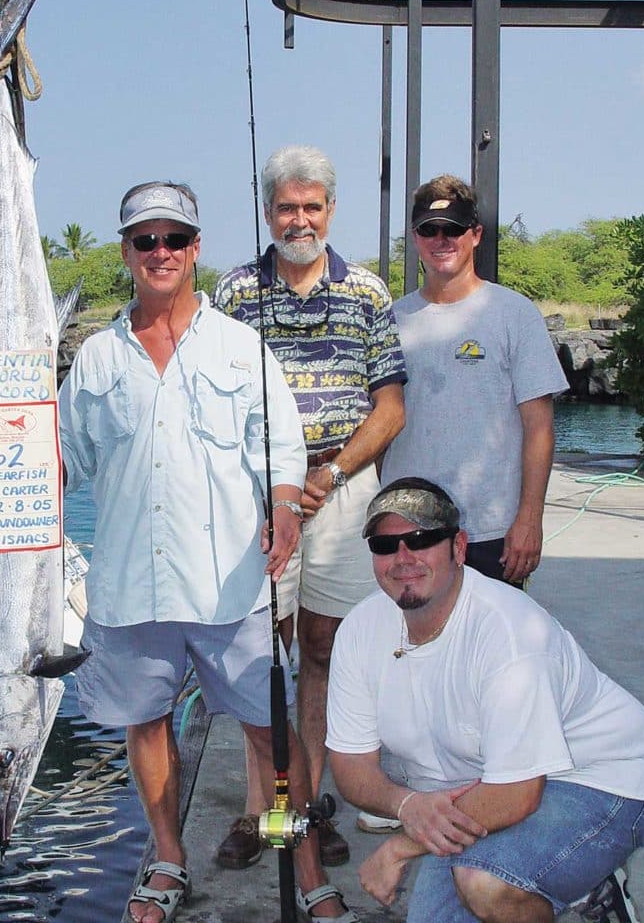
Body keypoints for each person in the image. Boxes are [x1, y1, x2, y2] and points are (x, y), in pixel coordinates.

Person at [59, 181, 359, 923]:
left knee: (271, 731)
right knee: (145, 721)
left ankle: (308, 865)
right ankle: (167, 857)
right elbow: (58, 465)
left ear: (196, 249)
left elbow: (283, 450)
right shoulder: (95, 359)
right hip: (131, 585)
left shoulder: (240, 346)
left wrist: (285, 511)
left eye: (174, 239)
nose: (160, 252)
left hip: (232, 585)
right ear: (126, 252)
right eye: (145, 240)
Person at [327, 476, 644, 923]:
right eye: (385, 544)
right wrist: (408, 806)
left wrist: (401, 845)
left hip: (599, 779)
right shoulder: (360, 629)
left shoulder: (510, 635)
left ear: (458, 547)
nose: (403, 558)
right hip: (483, 790)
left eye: (422, 539)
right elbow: (350, 764)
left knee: (485, 882)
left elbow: (516, 794)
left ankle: (575, 878)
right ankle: (566, 885)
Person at [214, 146, 406, 868]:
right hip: (261, 502)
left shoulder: (367, 291)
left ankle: (311, 810)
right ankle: (262, 812)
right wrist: (278, 488)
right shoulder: (233, 292)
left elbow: (390, 408)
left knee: (328, 653)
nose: (300, 219)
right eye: (287, 207)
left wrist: (330, 474)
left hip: (344, 493)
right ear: (269, 213)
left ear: (330, 210)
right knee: (263, 655)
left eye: (313, 206)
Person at [380, 174, 567, 588]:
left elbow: (540, 428)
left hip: (492, 531)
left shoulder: (515, 315)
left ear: (476, 234)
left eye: (454, 229)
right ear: (415, 237)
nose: (441, 239)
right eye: (430, 229)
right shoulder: (388, 321)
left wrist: (529, 519)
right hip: (409, 528)